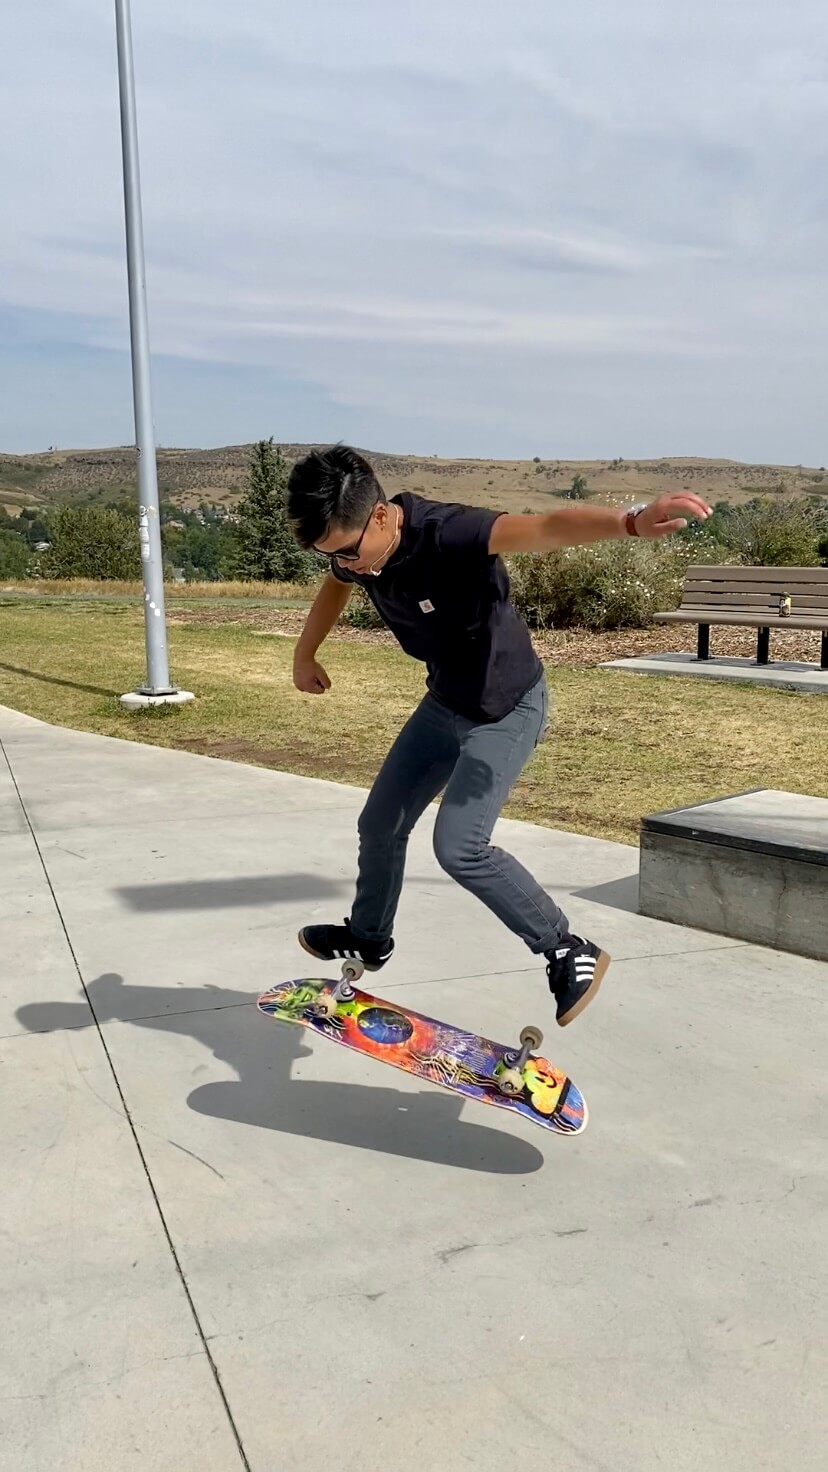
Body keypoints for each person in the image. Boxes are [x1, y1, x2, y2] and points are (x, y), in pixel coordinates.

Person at [286, 445, 711, 1026]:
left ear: (381, 515)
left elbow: (545, 528)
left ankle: (567, 948)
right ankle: (368, 937)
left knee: (460, 846)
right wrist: (306, 651)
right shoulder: (356, 550)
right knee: (379, 824)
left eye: (350, 551)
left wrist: (630, 521)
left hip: (508, 708)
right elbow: (336, 583)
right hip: (445, 704)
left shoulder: (451, 533)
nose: (350, 567)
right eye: (332, 554)